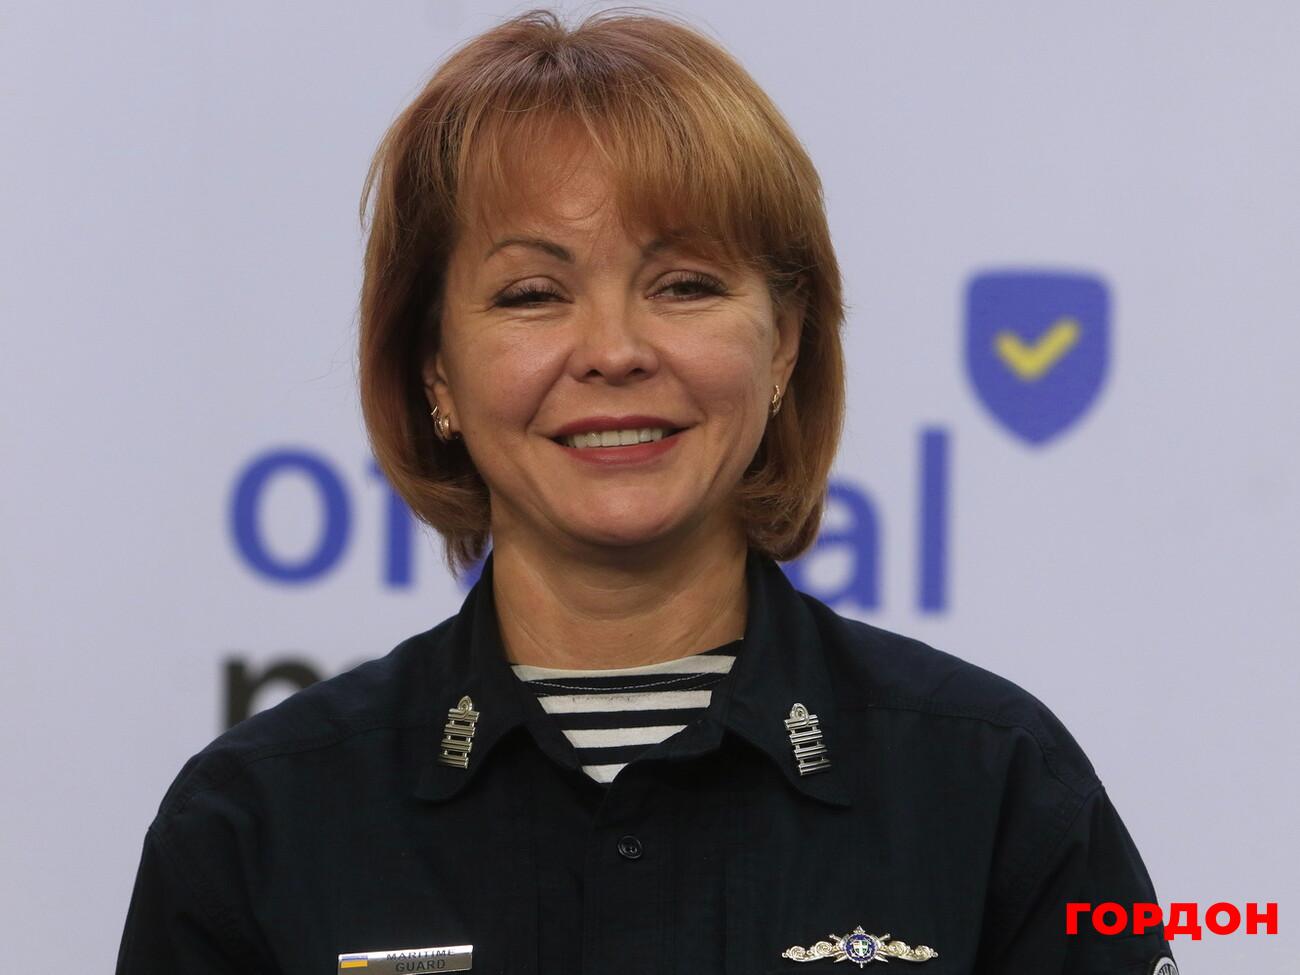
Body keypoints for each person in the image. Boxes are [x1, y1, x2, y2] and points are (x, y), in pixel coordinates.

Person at [116, 8, 1177, 974]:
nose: (614, 349)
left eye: (685, 285)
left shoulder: (993, 783)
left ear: (783, 344)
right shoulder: (255, 822)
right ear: (435, 370)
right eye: (533, 294)